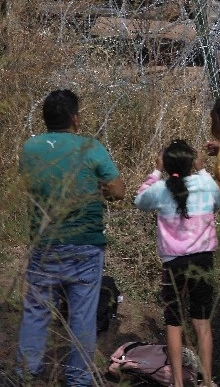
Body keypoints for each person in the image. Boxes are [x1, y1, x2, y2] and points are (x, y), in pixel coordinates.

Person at [17, 89, 126, 386]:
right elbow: (118, 190)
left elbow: (31, 185)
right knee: (82, 315)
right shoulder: (90, 147)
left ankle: (26, 372)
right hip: (85, 246)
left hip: (45, 244)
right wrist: (96, 189)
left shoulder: (30, 148)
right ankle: (77, 379)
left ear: (45, 118)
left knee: (37, 311)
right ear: (75, 119)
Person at [135, 140, 220, 387]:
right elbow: (217, 203)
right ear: (192, 162)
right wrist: (203, 170)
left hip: (173, 263)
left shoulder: (161, 189)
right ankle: (206, 381)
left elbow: (139, 200)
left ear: (167, 164)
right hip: (203, 259)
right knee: (202, 321)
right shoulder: (206, 183)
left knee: (174, 321)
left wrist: (155, 171)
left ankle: (177, 383)